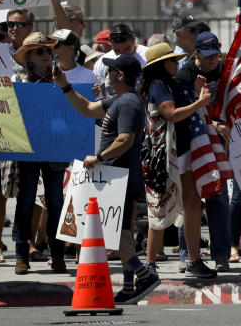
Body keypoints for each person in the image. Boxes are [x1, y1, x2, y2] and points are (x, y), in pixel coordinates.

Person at [53, 53, 160, 304]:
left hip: (117, 178)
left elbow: (125, 140)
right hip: (114, 178)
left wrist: (98, 157)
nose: (108, 73)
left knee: (114, 236)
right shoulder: (118, 101)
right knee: (120, 234)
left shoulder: (129, 104)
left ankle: (144, 276)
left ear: (120, 76)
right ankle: (128, 287)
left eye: (111, 70)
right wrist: (65, 86)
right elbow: (86, 108)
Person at [139, 42, 217, 279]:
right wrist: (199, 103)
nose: (177, 63)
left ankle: (194, 260)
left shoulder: (170, 84)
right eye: (172, 60)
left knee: (193, 205)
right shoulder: (158, 86)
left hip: (182, 153)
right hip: (163, 158)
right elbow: (172, 114)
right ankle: (150, 262)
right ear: (161, 65)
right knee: (161, 208)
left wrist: (194, 91)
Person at [9, 33, 68, 275]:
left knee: (55, 201)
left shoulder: (61, 80)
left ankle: (57, 254)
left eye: (48, 51)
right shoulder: (19, 83)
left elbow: (73, 109)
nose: (47, 55)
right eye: (40, 51)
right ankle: (21, 253)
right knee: (25, 201)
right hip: (27, 148)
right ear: (29, 59)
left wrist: (84, 93)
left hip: (54, 146)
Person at [173, 34, 232, 273]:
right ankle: (188, 253)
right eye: (208, 57)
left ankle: (221, 254)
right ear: (195, 54)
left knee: (217, 195)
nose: (213, 61)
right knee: (190, 201)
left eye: (216, 56)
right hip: (191, 140)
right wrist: (213, 124)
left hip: (215, 138)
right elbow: (184, 111)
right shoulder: (184, 76)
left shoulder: (221, 69)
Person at [93, 24, 148, 97]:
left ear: (133, 40)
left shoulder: (148, 55)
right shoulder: (102, 62)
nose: (123, 54)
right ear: (111, 44)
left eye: (127, 49)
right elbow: (98, 93)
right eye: (117, 50)